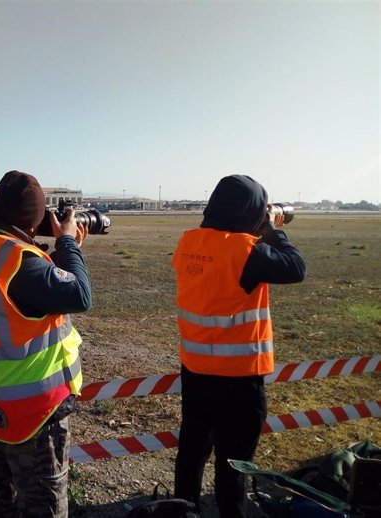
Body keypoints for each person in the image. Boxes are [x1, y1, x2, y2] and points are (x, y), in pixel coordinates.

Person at [0, 170, 92, 518]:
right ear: (35, 218)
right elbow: (80, 295)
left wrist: (56, 254)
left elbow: (24, 299)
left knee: (0, 500)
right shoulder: (20, 261)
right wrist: (69, 244)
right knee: (42, 503)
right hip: (35, 414)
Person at [172, 174, 307, 518]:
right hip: (238, 379)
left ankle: (180, 509)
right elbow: (296, 267)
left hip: (196, 370)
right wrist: (273, 229)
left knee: (192, 452)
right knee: (234, 464)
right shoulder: (245, 251)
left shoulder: (188, 241)